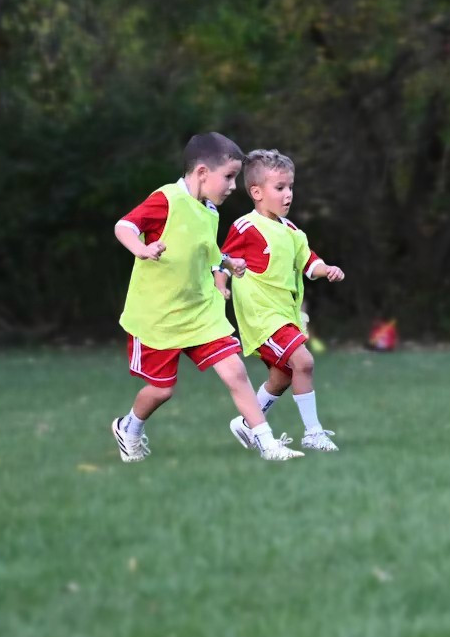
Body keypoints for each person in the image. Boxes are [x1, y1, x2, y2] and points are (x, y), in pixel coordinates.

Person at [111, 133, 303, 462]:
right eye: (228, 177)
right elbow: (124, 225)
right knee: (161, 390)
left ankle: (267, 443)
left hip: (200, 311)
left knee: (235, 372)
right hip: (157, 316)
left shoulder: (210, 210)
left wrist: (227, 264)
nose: (233, 185)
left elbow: (206, 251)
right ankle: (128, 426)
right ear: (202, 172)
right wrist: (142, 249)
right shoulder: (166, 199)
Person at [217, 149, 345, 453]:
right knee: (304, 361)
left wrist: (326, 270)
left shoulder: (293, 232)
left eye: (290, 187)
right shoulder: (246, 227)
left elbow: (309, 263)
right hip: (262, 317)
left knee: (283, 375)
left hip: (286, 315)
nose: (288, 195)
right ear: (257, 192)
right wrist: (222, 285)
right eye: (280, 188)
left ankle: (248, 424)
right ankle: (312, 432)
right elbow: (221, 259)